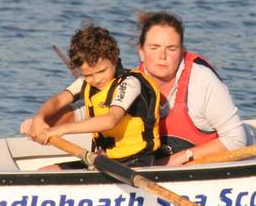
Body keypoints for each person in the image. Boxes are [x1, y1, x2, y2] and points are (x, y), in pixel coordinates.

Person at [21, 24, 161, 168]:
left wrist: (60, 130)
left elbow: (110, 120)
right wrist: (39, 118)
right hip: (104, 159)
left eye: (101, 71)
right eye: (88, 75)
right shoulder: (85, 82)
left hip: (136, 162)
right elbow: (58, 100)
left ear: (114, 59)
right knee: (46, 171)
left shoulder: (130, 83)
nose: (97, 79)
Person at [136, 11, 248, 166]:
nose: (162, 55)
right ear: (141, 51)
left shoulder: (202, 81)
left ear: (182, 52)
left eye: (171, 48)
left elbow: (236, 139)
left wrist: (180, 158)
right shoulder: (131, 85)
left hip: (227, 163)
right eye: (154, 47)